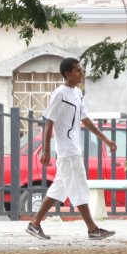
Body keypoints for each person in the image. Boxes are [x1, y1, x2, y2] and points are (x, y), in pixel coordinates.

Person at [25, 57, 117, 240]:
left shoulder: (78, 93)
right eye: (77, 70)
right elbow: (49, 121)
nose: (81, 73)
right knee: (79, 187)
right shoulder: (60, 93)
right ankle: (92, 229)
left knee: (59, 188)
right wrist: (45, 150)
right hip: (67, 150)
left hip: (73, 148)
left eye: (81, 70)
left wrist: (105, 139)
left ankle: (34, 224)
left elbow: (85, 119)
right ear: (67, 73)